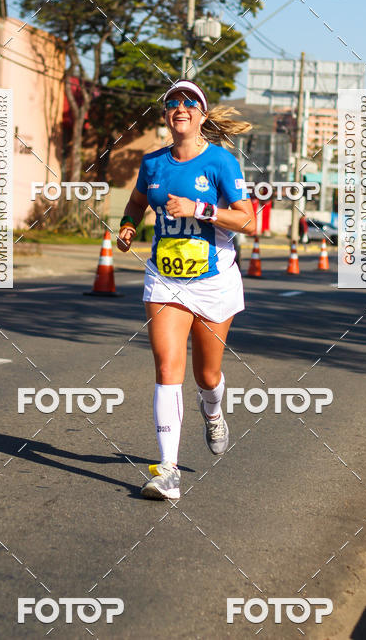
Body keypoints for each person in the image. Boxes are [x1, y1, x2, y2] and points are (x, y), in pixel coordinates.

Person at [117, 80, 256, 500]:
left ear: (201, 114)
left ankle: (212, 411)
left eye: (188, 102)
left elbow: (248, 221)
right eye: (172, 102)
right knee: (166, 369)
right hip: (165, 279)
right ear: (166, 115)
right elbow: (138, 202)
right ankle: (169, 470)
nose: (179, 107)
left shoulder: (221, 162)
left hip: (213, 281)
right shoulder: (154, 162)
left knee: (207, 374)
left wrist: (200, 209)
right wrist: (128, 227)